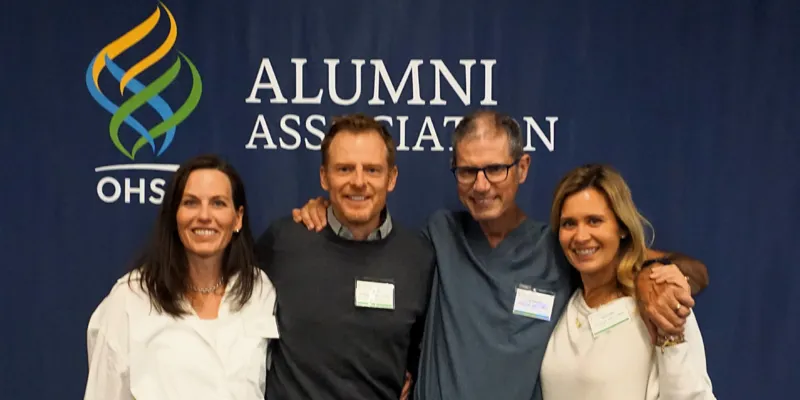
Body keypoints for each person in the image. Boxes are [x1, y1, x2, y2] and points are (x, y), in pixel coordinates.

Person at [291, 110, 709, 400]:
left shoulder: (561, 247)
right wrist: (325, 209)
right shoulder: (440, 235)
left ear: (522, 168)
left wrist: (653, 278)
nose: (482, 184)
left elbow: (688, 269)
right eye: (468, 171)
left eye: (496, 169)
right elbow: (371, 247)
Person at [254, 114, 434, 400]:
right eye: (345, 169)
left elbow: (424, 352)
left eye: (373, 170)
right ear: (324, 177)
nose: (358, 182)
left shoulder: (420, 258)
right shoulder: (284, 241)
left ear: (392, 178)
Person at [83, 154, 279, 400]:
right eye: (191, 203)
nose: (205, 216)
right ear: (174, 215)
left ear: (237, 218)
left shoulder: (259, 290)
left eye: (218, 203)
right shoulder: (129, 299)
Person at [540, 164, 715, 399]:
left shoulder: (657, 300)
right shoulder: (565, 303)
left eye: (594, 221)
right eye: (569, 223)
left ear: (622, 227)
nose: (581, 236)